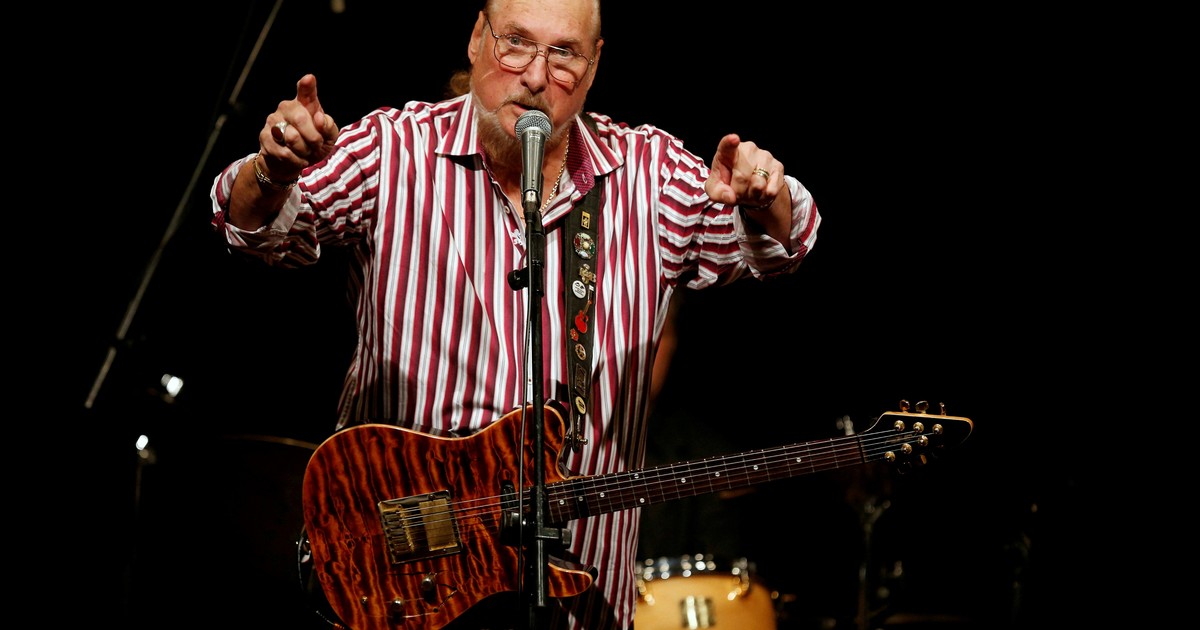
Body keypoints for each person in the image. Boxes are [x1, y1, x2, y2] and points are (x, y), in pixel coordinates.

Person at [209, 0, 820, 628]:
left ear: (593, 66)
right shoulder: (394, 149)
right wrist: (272, 171)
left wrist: (764, 196)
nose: (534, 75)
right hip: (399, 583)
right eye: (516, 43)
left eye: (563, 53)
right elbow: (254, 227)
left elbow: (780, 245)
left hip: (580, 597)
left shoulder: (648, 173)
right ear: (478, 38)